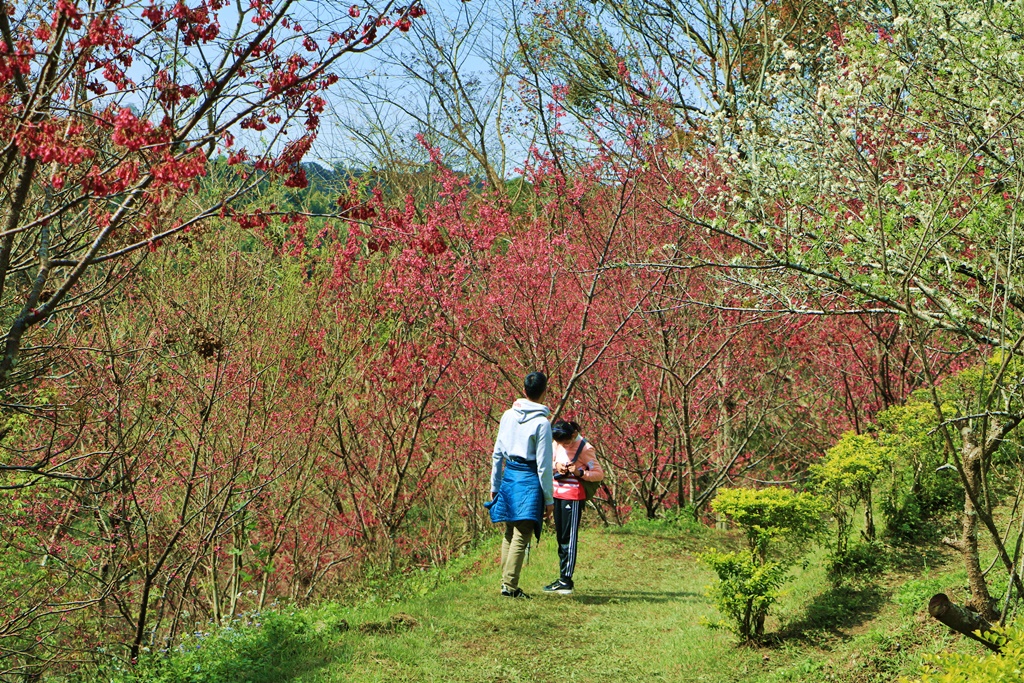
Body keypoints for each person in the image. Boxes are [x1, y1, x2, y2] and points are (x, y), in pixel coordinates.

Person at [484, 371, 554, 599]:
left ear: (524, 390)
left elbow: (497, 454)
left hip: (509, 475)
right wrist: (549, 499)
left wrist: (495, 484)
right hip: (529, 478)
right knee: (522, 532)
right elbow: (544, 465)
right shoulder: (542, 423)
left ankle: (505, 582)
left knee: (510, 530)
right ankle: (510, 586)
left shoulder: (507, 415)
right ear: (544, 392)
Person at [543, 419, 603, 595]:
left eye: (566, 442)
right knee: (561, 538)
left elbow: (599, 474)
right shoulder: (556, 443)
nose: (564, 445)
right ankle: (562, 577)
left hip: (573, 496)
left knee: (569, 538)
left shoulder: (585, 448)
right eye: (561, 443)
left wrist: (580, 472)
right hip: (557, 494)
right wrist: (557, 466)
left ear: (573, 435)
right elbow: (550, 461)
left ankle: (566, 580)